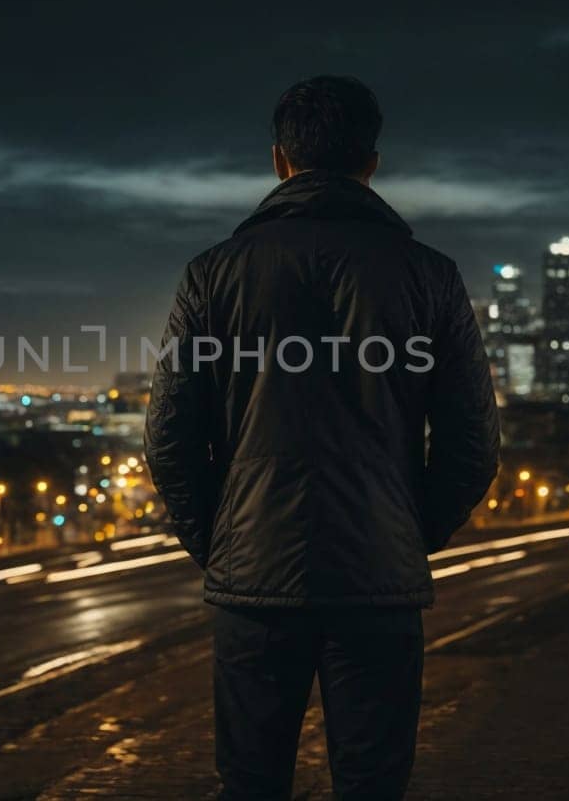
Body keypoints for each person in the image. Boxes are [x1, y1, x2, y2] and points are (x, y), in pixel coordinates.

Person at [144, 75, 501, 800]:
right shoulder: (430, 276)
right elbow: (472, 445)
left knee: (250, 785)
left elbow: (170, 441)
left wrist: (222, 542)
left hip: (254, 584)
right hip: (377, 583)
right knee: (372, 785)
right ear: (371, 163)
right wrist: (401, 532)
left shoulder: (212, 275)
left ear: (279, 160)